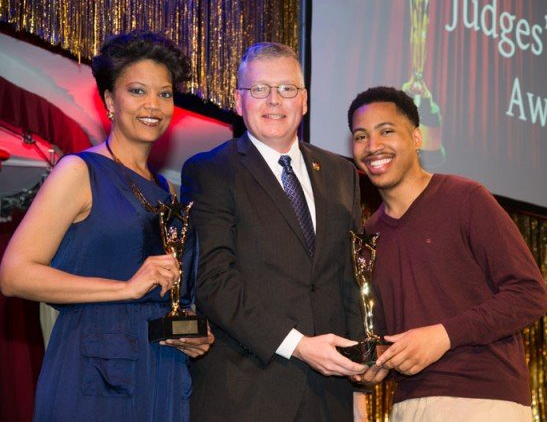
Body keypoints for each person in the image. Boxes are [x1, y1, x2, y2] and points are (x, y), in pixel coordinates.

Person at [0, 31, 213, 420]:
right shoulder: (79, 171)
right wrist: (127, 288)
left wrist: (192, 331)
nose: (153, 105)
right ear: (109, 101)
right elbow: (14, 274)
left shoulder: (169, 191)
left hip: (161, 368)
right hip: (95, 371)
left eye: (164, 94)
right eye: (137, 91)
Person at [181, 42, 368, 421]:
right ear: (238, 101)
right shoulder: (211, 171)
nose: (274, 101)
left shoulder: (341, 173)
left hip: (330, 397)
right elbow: (213, 281)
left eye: (286, 89)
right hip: (246, 392)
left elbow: (352, 277)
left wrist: (361, 373)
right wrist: (298, 345)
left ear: (304, 100)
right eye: (259, 90)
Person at [348, 86, 547, 421]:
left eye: (386, 131)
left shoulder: (465, 198)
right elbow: (385, 331)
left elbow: (530, 294)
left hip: (484, 401)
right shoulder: (368, 236)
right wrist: (372, 364)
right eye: (360, 136)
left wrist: (444, 335)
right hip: (407, 406)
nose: (373, 146)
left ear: (416, 138)